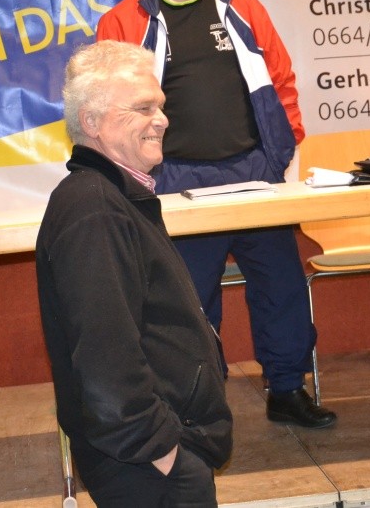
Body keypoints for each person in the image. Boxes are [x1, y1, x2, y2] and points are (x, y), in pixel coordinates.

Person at [96, 0, 336, 428]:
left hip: (254, 174)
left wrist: (279, 152)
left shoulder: (239, 4)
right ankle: (201, 402)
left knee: (282, 286)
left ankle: (287, 389)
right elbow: (111, 109)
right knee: (190, 301)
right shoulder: (123, 22)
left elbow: (281, 79)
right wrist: (146, 177)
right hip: (178, 181)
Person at [35, 40, 232, 507]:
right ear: (92, 122)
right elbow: (105, 351)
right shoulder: (95, 209)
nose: (161, 119)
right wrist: (161, 453)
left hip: (152, 460)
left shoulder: (114, 198)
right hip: (148, 467)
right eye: (143, 108)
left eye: (160, 106)